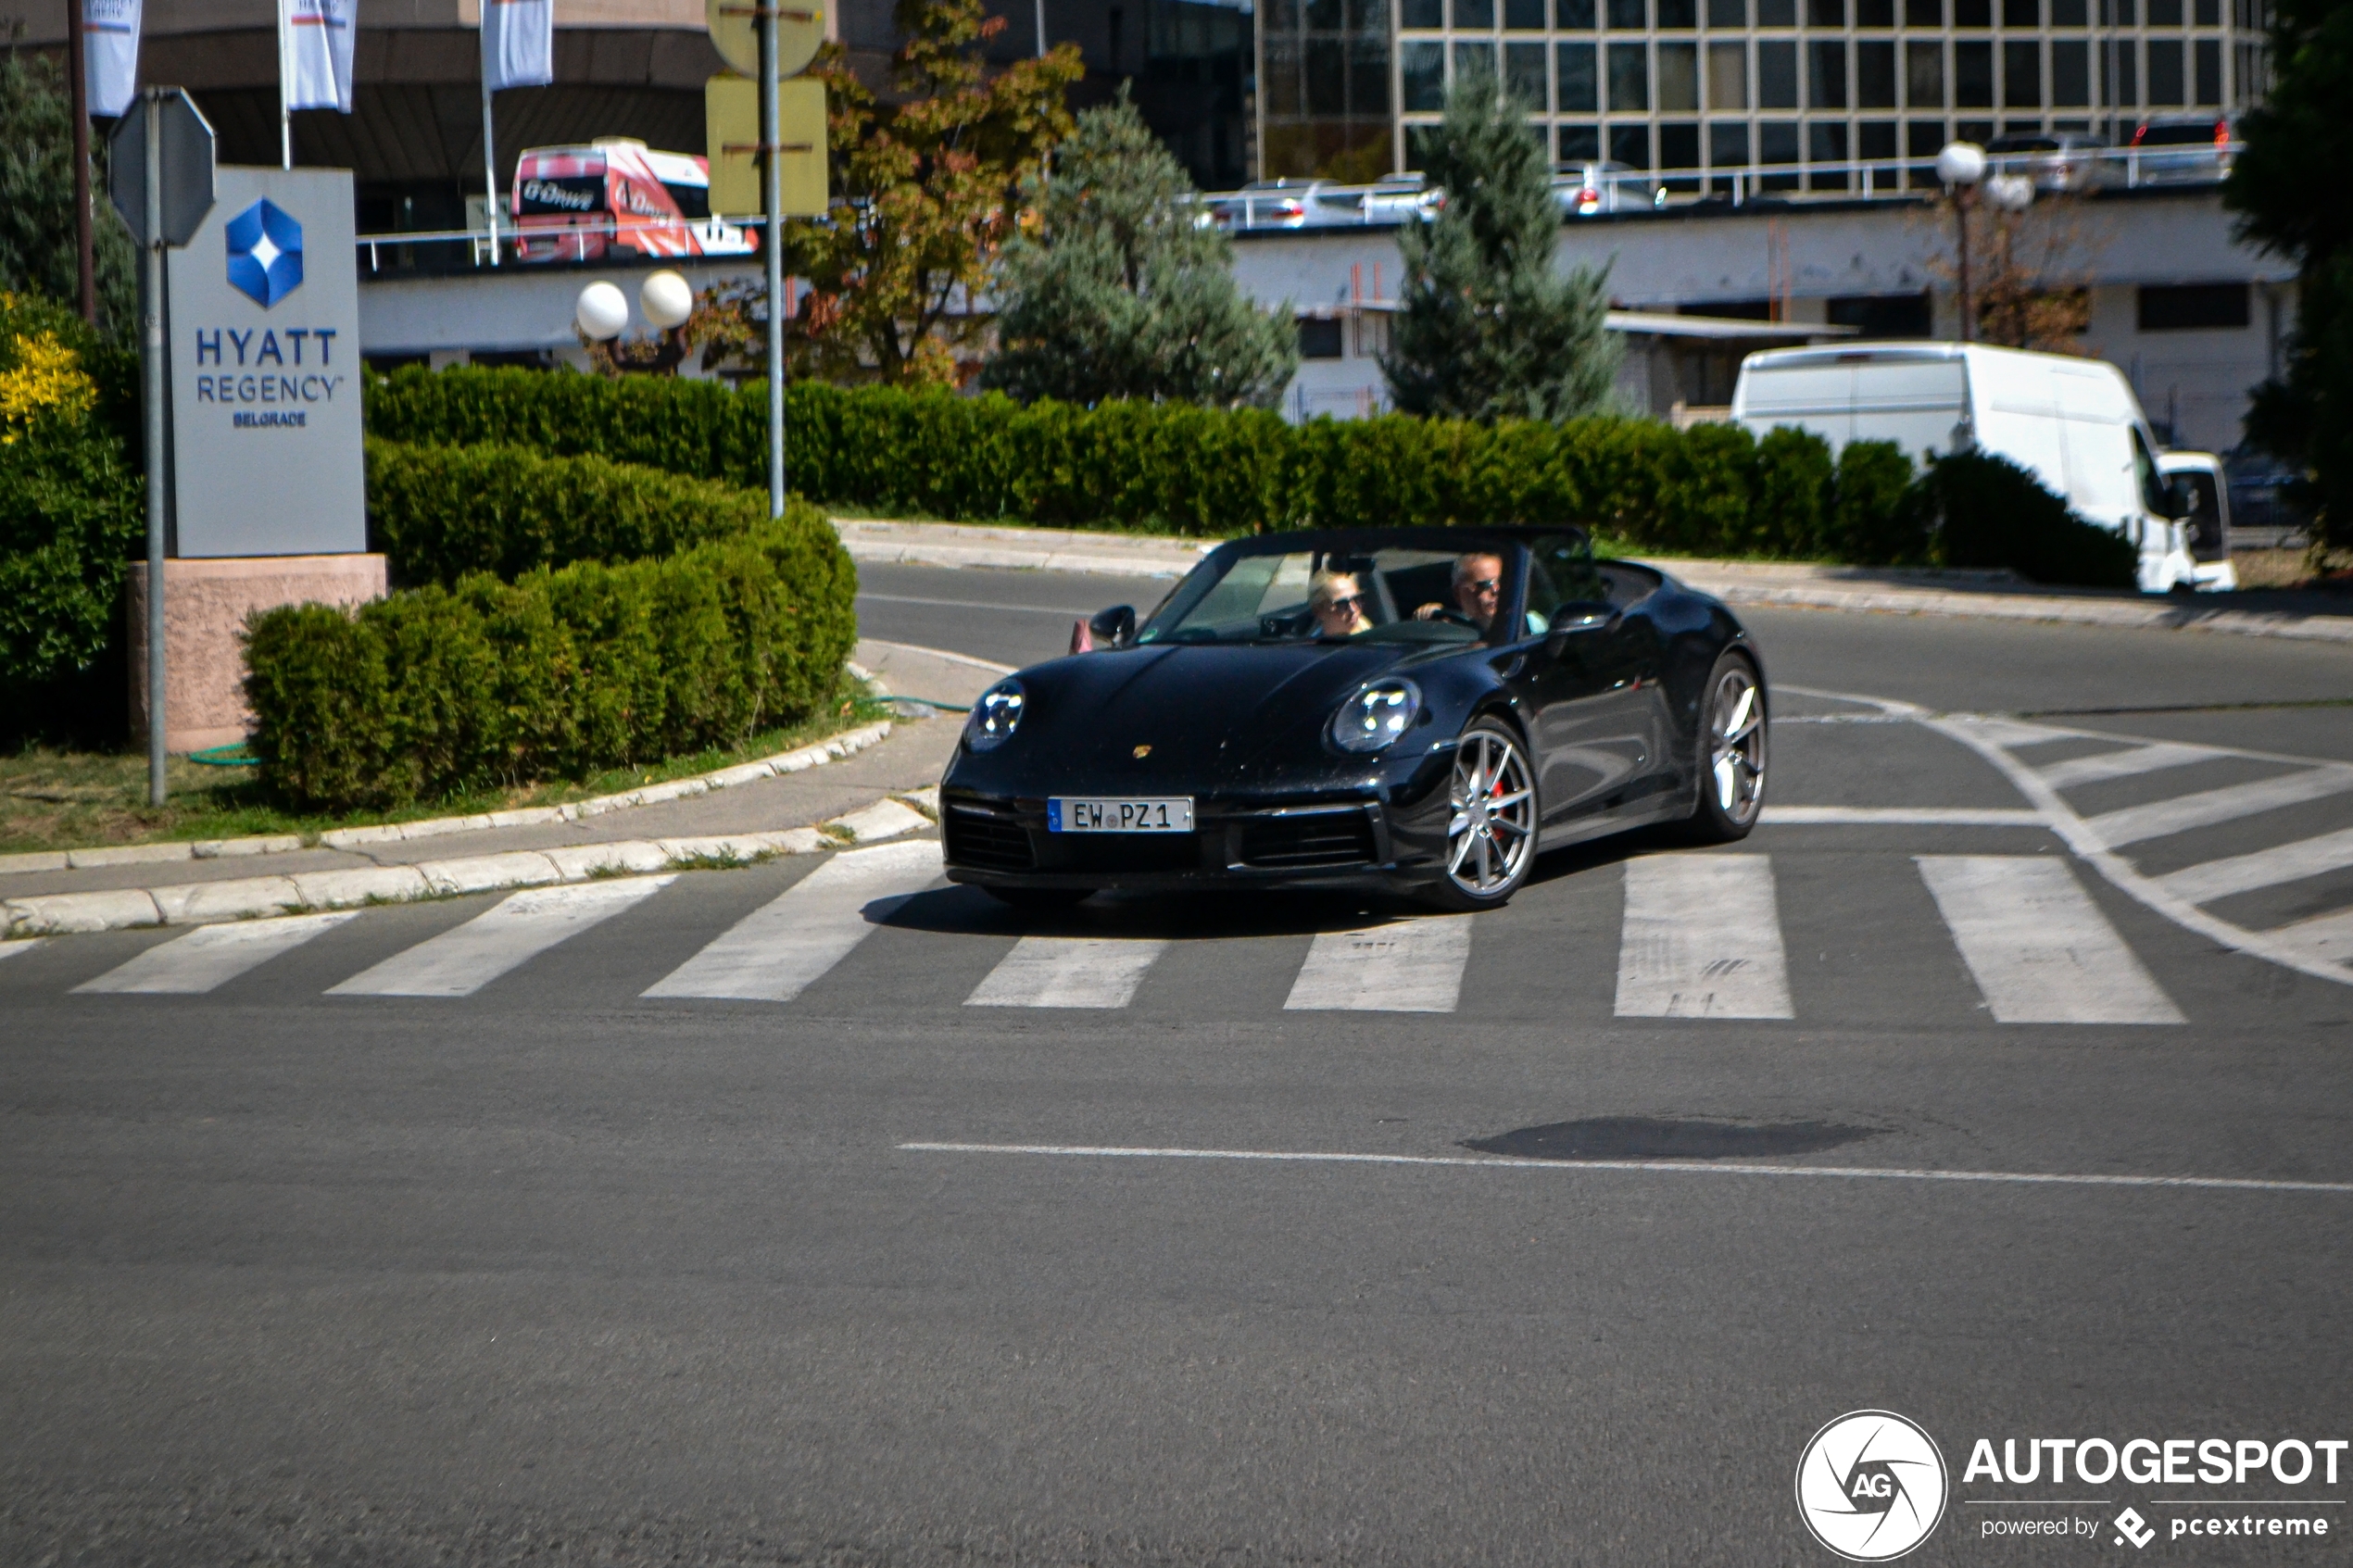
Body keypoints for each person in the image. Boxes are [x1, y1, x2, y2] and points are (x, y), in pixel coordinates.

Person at [1415, 551, 1505, 633]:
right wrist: (1432, 623)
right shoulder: (1449, 626)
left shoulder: (1518, 624)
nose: (1496, 590)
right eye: (1485, 584)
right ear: (1458, 594)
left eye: (1502, 581)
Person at [1308, 570, 1376, 637]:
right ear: (1319, 611)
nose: (1353, 609)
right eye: (1342, 604)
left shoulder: (1370, 633)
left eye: (1357, 599)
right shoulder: (1312, 646)